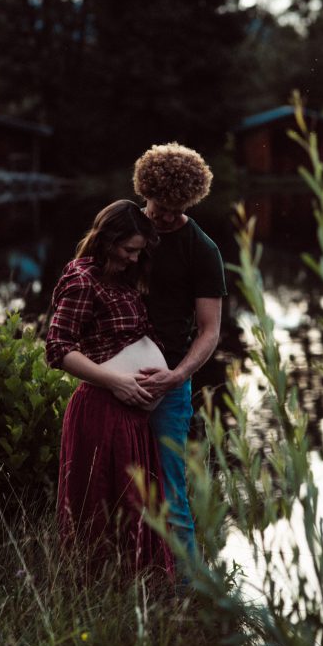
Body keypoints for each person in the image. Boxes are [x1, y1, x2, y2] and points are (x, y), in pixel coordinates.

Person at [46, 199, 174, 577]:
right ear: (106, 240)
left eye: (139, 251)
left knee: (136, 510)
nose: (135, 259)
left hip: (131, 418)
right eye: (128, 249)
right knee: (108, 510)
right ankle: (100, 597)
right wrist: (117, 380)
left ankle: (139, 598)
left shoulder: (118, 280)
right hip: (102, 411)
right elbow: (58, 348)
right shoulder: (82, 279)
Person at [132, 143, 227, 561]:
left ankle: (185, 591)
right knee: (113, 484)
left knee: (172, 492)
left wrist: (179, 375)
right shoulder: (123, 228)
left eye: (176, 208)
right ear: (144, 190)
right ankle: (121, 577)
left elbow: (209, 331)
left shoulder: (203, 250)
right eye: (159, 206)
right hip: (112, 377)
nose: (165, 217)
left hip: (168, 382)